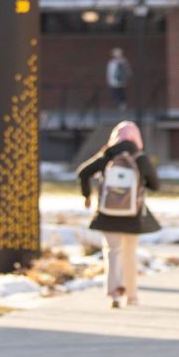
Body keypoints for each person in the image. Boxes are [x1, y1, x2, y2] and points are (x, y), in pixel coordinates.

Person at [75, 120, 160, 308]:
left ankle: (114, 293)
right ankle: (132, 296)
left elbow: (83, 172)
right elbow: (155, 185)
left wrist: (87, 195)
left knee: (113, 252)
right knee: (130, 254)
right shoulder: (140, 158)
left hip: (107, 215)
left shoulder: (107, 156)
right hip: (133, 215)